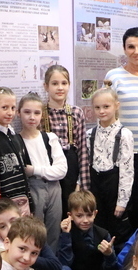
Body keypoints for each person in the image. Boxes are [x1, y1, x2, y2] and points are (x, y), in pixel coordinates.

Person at [17, 91, 67, 250]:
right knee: (34, 233)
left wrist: (34, 170)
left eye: (37, 113)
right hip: (32, 189)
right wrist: (44, 171)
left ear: (42, 115)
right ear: (19, 113)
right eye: (27, 112)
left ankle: (51, 265)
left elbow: (61, 170)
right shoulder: (16, 141)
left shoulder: (49, 137)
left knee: (53, 234)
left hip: (54, 188)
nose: (32, 117)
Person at [86, 85, 134, 246]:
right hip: (96, 189)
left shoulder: (124, 134)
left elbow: (127, 171)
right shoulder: (90, 134)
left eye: (106, 106)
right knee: (97, 233)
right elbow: (85, 165)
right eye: (97, 107)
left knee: (117, 235)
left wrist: (122, 202)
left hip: (115, 189)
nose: (102, 111)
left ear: (116, 105)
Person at [58, 190, 117, 270]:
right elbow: (64, 264)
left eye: (89, 215)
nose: (85, 220)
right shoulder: (66, 233)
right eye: (79, 216)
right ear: (70, 215)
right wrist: (66, 236)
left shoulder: (103, 234)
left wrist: (109, 255)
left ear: (95, 213)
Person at [41, 65, 90, 215]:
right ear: (46, 86)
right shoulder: (39, 113)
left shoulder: (76, 112)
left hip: (71, 168)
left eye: (64, 83)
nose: (60, 88)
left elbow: (83, 150)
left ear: (69, 85)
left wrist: (83, 183)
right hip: (48, 167)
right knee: (52, 213)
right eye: (55, 83)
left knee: (71, 211)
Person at [0, 87, 33, 215]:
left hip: (23, 201)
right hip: (5, 205)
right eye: (4, 108)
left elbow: (23, 171)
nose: (10, 112)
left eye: (13, 108)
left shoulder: (15, 136)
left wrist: (30, 201)